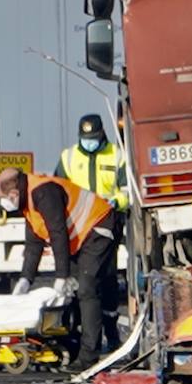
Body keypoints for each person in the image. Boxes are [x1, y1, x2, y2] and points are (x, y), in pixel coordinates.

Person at [0, 167, 115, 372]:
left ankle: (89, 357)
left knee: (87, 289)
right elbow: (34, 243)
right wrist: (25, 279)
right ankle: (76, 345)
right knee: (75, 292)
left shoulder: (43, 192)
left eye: (5, 198)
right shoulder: (28, 202)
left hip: (98, 225)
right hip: (82, 236)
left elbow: (57, 231)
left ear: (14, 193)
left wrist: (62, 275)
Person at [55, 114, 129, 349]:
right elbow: (58, 190)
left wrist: (116, 201)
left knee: (106, 280)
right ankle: (81, 334)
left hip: (107, 226)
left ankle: (111, 334)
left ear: (102, 135)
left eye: (93, 138)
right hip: (78, 228)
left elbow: (127, 190)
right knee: (82, 283)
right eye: (85, 139)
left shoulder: (116, 155)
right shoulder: (68, 158)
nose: (89, 142)